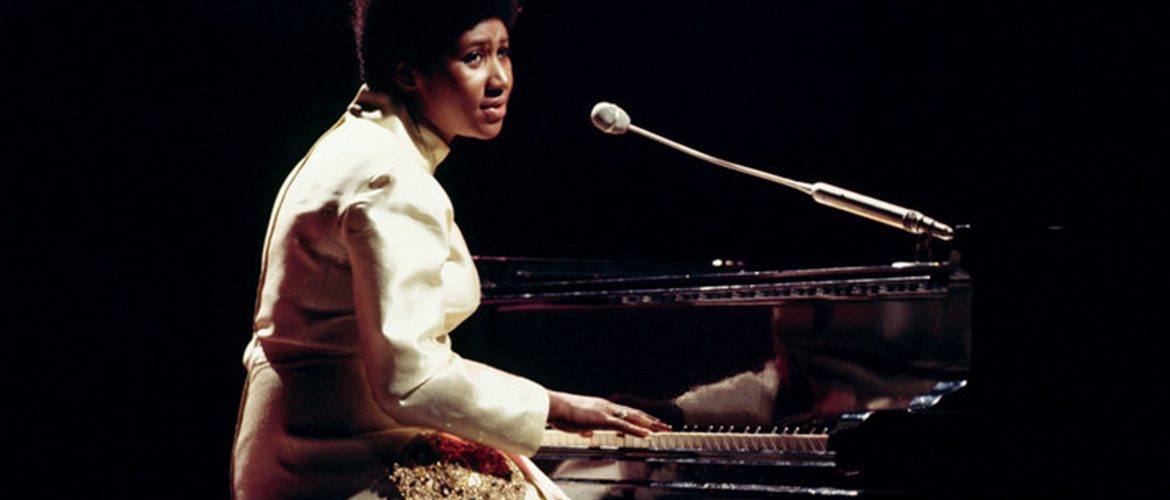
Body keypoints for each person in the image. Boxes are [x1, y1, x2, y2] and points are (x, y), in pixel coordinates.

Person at [230, 0, 669, 498]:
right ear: (408, 74)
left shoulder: (364, 144)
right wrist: (555, 406)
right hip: (329, 451)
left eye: (503, 52)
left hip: (315, 433)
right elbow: (410, 380)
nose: (499, 78)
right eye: (474, 57)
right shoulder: (390, 178)